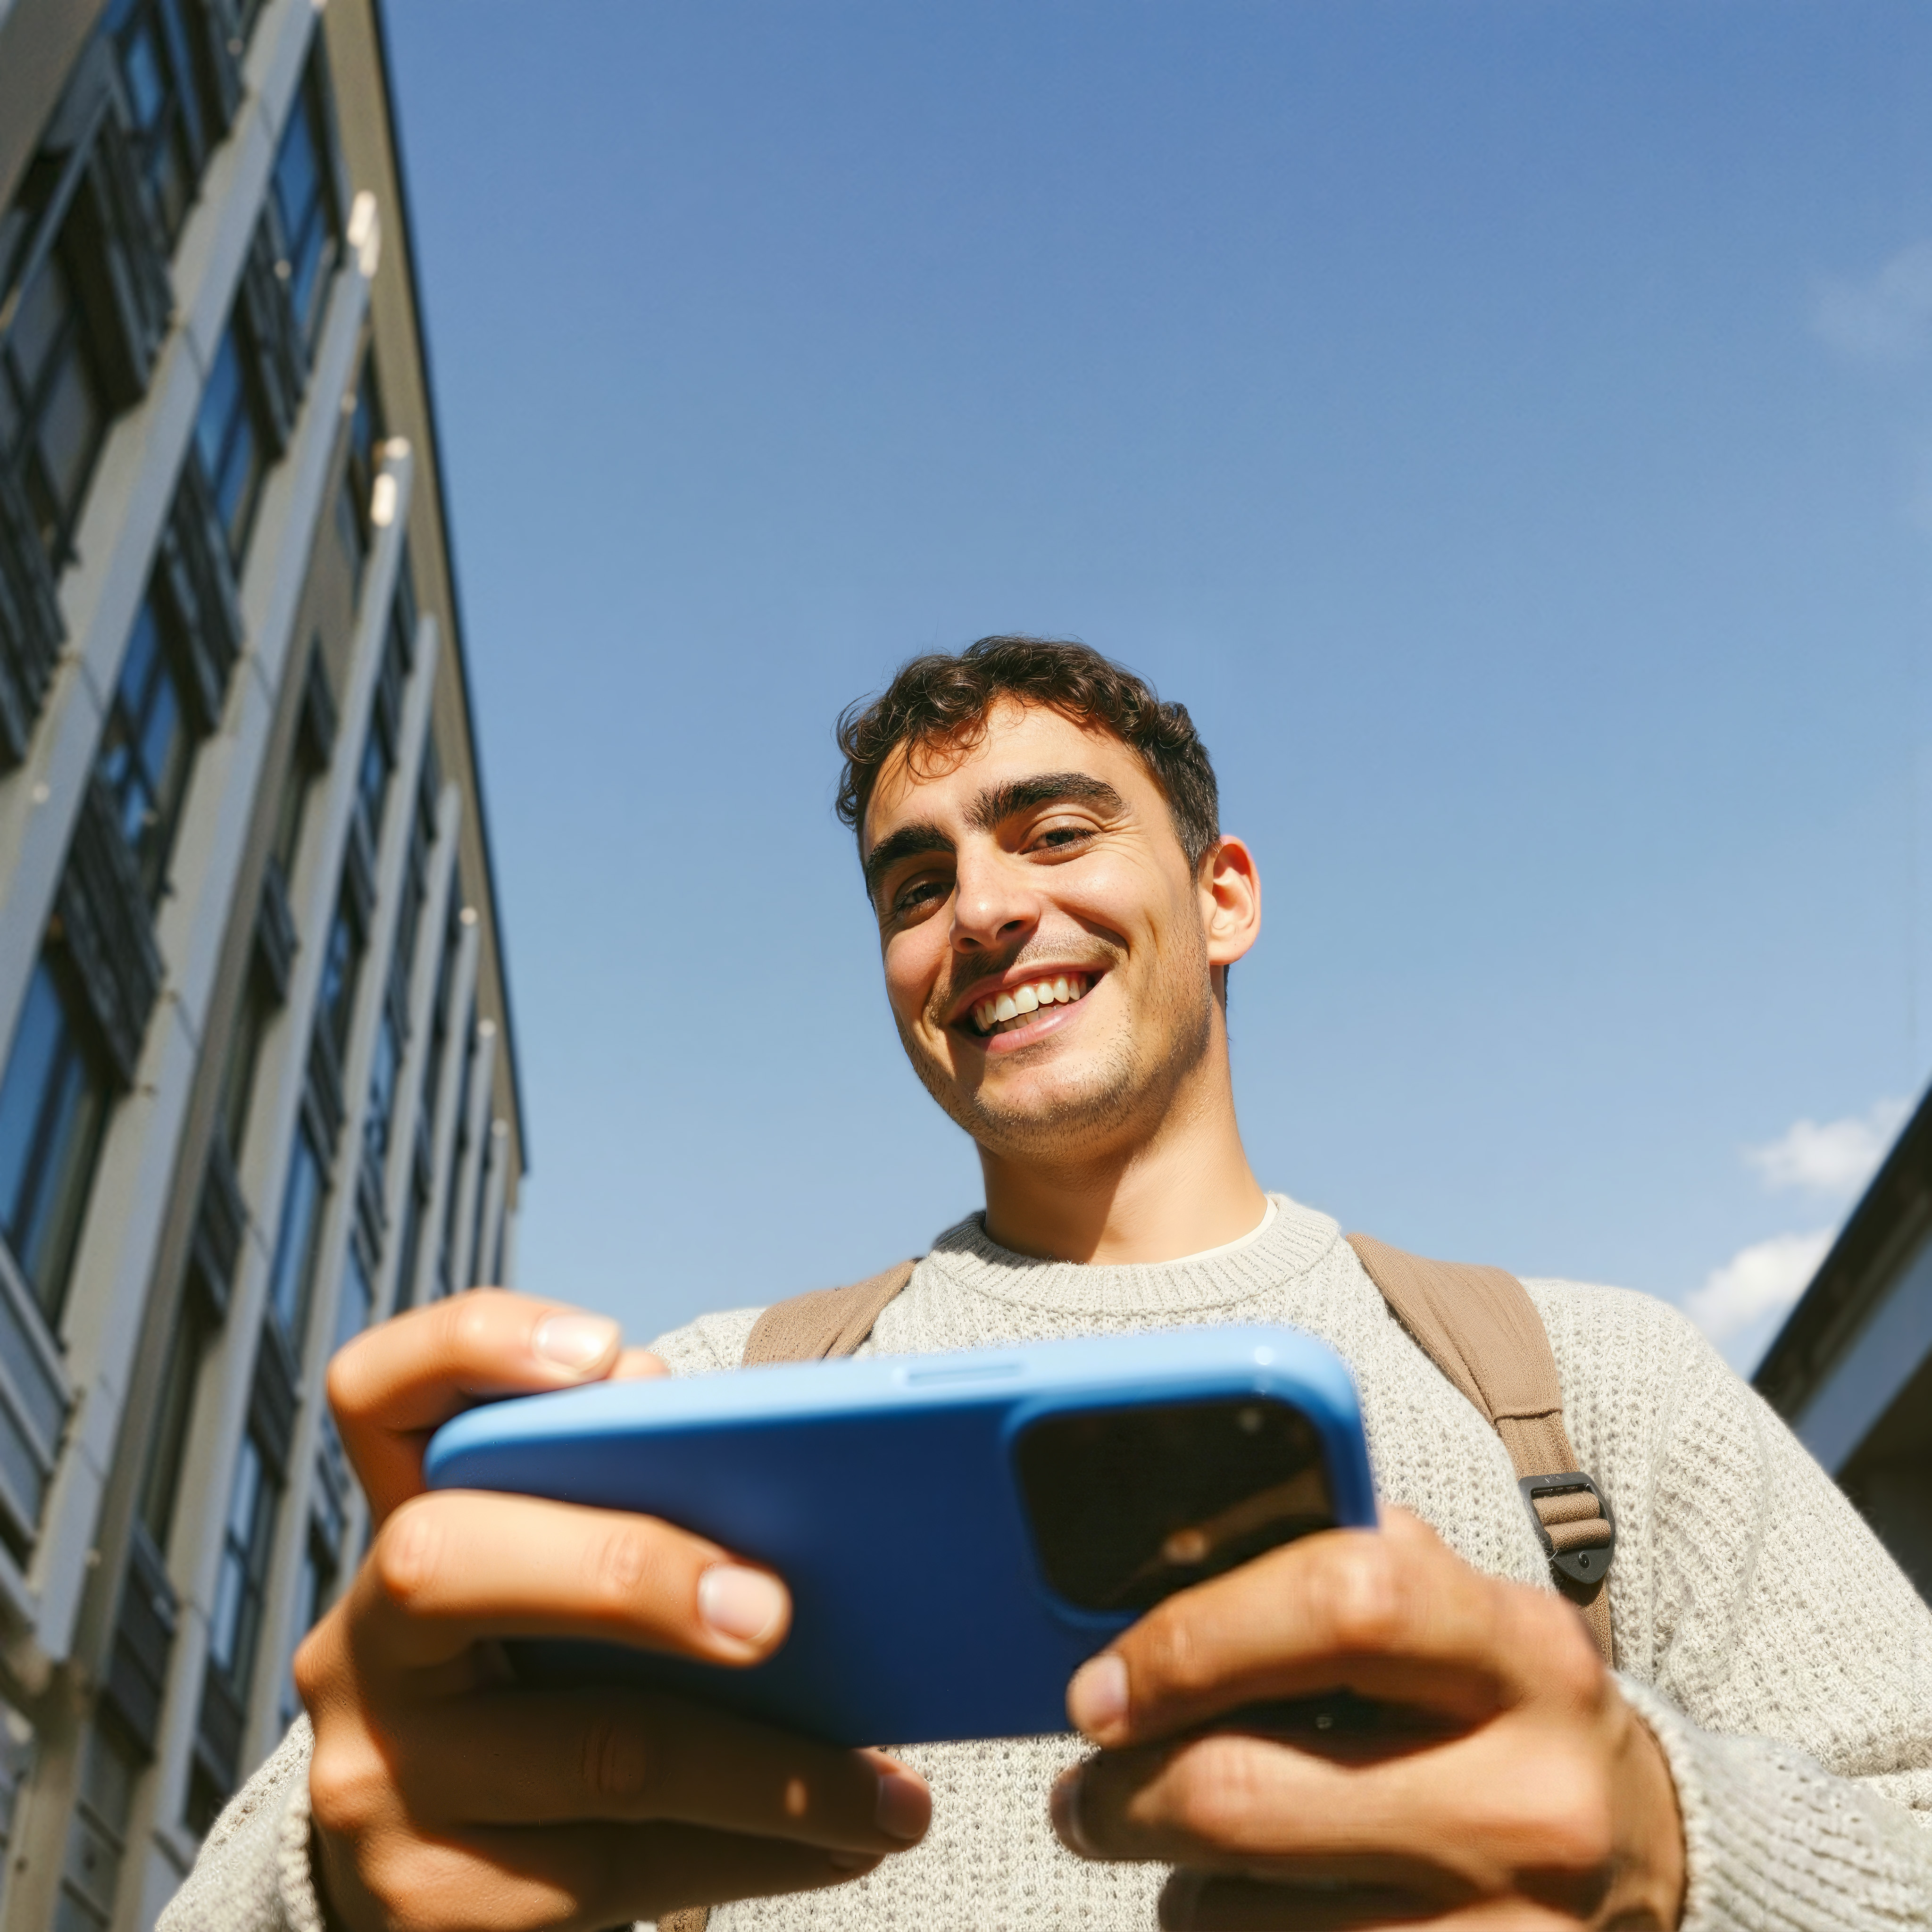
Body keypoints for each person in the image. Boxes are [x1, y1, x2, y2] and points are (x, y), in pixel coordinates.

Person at [165, 637, 1932, 1932]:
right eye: (916, 882)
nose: (984, 912)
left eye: (1056, 830)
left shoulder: (1583, 1384)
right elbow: (280, 1864)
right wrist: (340, 1888)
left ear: (1225, 895)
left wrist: (1675, 1846)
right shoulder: (702, 1410)